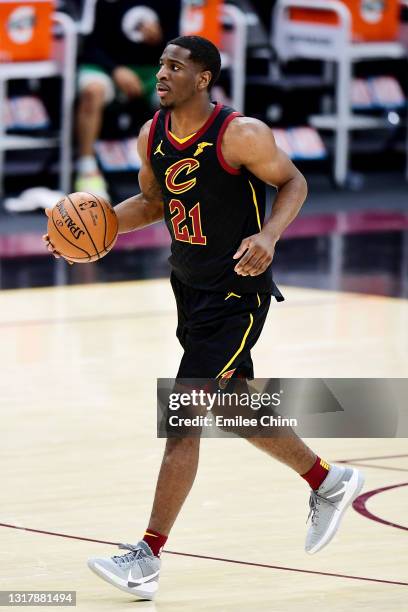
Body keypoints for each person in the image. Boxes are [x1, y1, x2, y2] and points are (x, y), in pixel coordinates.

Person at [43, 36, 365, 601]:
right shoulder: (154, 134)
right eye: (161, 66)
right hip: (189, 287)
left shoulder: (241, 134)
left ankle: (147, 555)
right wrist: (93, 231)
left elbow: (293, 181)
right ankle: (328, 482)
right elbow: (154, 202)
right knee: (236, 404)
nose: (162, 75)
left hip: (237, 292)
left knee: (183, 416)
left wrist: (268, 235)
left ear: (204, 78)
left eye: (175, 67)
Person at [75, 0, 180, 199]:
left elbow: (180, 48)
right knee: (92, 91)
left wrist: (161, 41)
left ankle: (178, 169)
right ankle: (87, 169)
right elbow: (89, 45)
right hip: (107, 66)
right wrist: (116, 70)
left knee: (182, 97)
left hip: (152, 69)